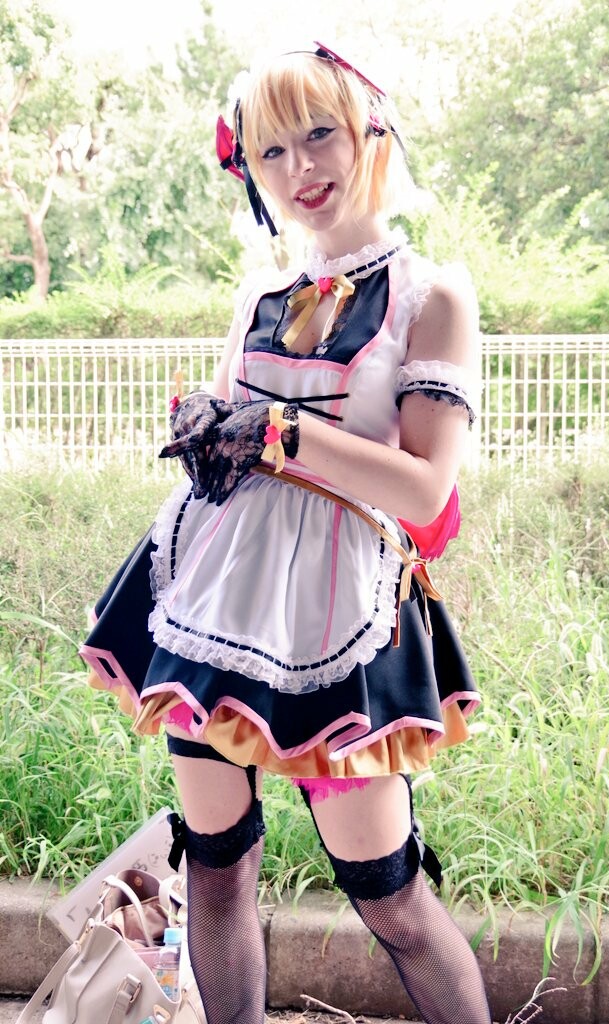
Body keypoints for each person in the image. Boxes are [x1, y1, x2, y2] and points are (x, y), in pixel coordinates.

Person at [80, 42, 491, 1024]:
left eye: (318, 135)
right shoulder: (257, 297)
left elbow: (426, 485)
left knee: (388, 893)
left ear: (368, 134)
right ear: (250, 170)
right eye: (270, 151)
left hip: (341, 614)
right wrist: (209, 431)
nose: (299, 168)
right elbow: (237, 457)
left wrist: (283, 432)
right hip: (214, 601)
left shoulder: (430, 295)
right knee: (216, 865)